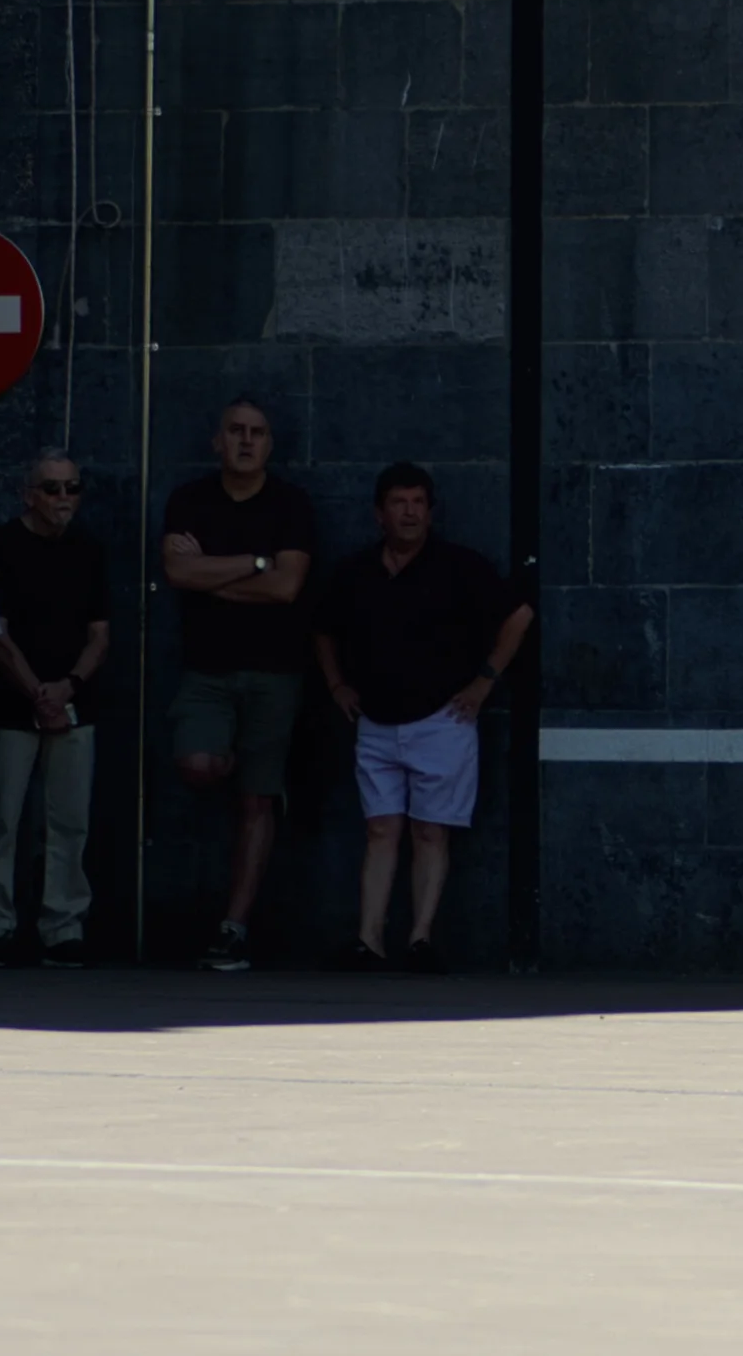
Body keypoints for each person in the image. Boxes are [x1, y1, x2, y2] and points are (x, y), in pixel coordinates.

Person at [312, 463, 534, 973]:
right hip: (375, 721)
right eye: (399, 502)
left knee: (431, 832)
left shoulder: (459, 566)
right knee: (380, 830)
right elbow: (322, 629)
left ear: (431, 512)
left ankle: (420, 939)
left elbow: (519, 615)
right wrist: (336, 684)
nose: (409, 512)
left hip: (442, 719)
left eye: (418, 503)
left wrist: (484, 682)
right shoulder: (355, 573)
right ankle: (369, 941)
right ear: (379, 513)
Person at [159, 400, 316, 972]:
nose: (246, 441)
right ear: (217, 441)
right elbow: (177, 572)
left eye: (257, 432)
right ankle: (227, 759)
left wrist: (214, 576)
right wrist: (256, 562)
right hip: (207, 670)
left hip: (276, 672)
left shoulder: (291, 505)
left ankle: (234, 927)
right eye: (236, 431)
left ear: (270, 444)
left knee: (257, 799)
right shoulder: (189, 501)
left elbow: (286, 588)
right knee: (198, 764)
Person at [0, 451, 110, 967]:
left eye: (72, 487)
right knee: (0, 818)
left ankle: (63, 926)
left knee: (70, 820)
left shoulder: (90, 550)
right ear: (28, 494)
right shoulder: (0, 548)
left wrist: (67, 688)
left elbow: (101, 635)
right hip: (11, 705)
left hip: (74, 704)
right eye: (52, 488)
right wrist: (38, 692)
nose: (63, 498)